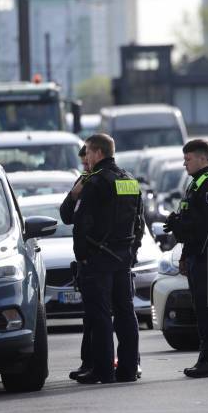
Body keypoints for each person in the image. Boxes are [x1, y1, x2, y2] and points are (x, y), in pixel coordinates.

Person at [72, 133, 144, 384]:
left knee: (100, 315)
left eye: (89, 153)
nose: (87, 157)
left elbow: (78, 221)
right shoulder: (130, 181)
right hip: (123, 258)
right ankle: (128, 369)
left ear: (98, 153)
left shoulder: (95, 182)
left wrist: (83, 257)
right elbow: (139, 223)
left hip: (98, 260)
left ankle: (103, 370)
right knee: (125, 313)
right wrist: (132, 252)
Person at [163, 139, 208, 378]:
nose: (184, 163)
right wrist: (183, 252)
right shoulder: (196, 185)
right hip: (195, 253)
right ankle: (206, 357)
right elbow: (193, 223)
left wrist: (180, 224)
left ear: (203, 159)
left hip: (206, 253)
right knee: (201, 309)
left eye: (188, 159)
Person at [60, 145, 93, 380]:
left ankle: (123, 363)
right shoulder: (83, 182)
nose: (85, 167)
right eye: (82, 164)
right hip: (89, 262)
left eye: (86, 162)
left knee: (117, 316)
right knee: (91, 317)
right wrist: (74, 195)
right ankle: (89, 362)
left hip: (103, 262)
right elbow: (65, 215)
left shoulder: (104, 182)